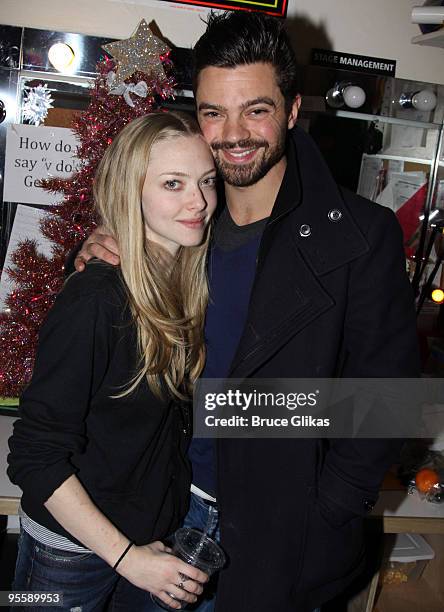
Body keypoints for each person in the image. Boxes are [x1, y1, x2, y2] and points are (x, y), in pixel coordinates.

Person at [73, 11, 420, 612]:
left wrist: (326, 509)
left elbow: (387, 402)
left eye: (255, 109)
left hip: (279, 533)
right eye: (213, 112)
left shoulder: (360, 236)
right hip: (158, 514)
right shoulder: (177, 227)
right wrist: (106, 249)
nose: (233, 133)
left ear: (291, 109)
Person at [7, 111, 218, 612]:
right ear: (131, 192)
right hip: (72, 551)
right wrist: (129, 559)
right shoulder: (97, 299)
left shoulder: (186, 281)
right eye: (174, 183)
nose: (199, 201)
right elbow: (34, 457)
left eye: (206, 181)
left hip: (148, 536)